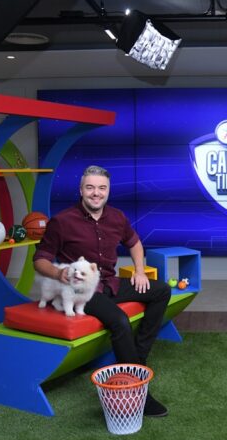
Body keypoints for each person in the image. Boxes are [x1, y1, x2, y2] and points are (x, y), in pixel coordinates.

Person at [33, 165, 171, 417]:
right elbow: (40, 260)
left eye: (101, 188)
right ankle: (139, 392)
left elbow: (135, 243)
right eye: (90, 187)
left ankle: (137, 358)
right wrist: (58, 274)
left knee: (161, 291)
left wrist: (139, 271)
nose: (96, 193)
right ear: (81, 190)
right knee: (120, 320)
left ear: (108, 191)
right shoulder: (62, 221)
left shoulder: (117, 217)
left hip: (110, 282)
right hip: (81, 291)